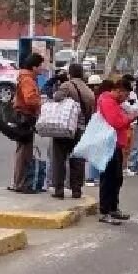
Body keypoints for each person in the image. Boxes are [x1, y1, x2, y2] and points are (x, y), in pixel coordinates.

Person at [96, 78, 138, 225]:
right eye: (125, 95)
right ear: (119, 91)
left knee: (117, 178)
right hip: (109, 145)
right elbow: (116, 122)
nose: (125, 98)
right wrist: (130, 118)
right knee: (108, 179)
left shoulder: (115, 103)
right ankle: (105, 211)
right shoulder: (107, 101)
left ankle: (113, 207)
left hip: (116, 144)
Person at [50, 63, 95, 199]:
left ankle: (59, 189)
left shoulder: (67, 86)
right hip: (80, 129)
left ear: (70, 73)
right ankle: (76, 190)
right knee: (78, 160)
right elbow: (90, 112)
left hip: (64, 128)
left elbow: (56, 98)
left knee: (59, 159)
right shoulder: (89, 91)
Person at [9, 52, 44, 193]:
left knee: (23, 151)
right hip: (25, 118)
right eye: (40, 66)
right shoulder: (28, 80)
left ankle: (19, 182)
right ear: (34, 67)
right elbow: (30, 99)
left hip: (23, 117)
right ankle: (21, 184)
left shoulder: (26, 77)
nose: (42, 68)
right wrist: (42, 102)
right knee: (24, 152)